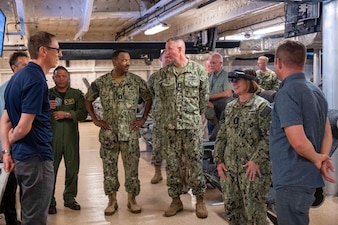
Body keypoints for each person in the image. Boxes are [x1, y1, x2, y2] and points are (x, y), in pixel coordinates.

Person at [269, 39, 336, 225]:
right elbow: (327, 130)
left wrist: (316, 158)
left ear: (279, 63)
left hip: (292, 177)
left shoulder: (287, 92)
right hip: (307, 178)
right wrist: (322, 157)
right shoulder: (316, 91)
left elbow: (297, 140)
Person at [0, 31, 61, 225]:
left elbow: (5, 121)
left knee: (28, 212)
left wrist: (7, 151)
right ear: (43, 51)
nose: (59, 54)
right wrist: (10, 141)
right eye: (57, 50)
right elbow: (23, 127)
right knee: (34, 218)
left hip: (21, 157)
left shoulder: (15, 80)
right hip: (36, 158)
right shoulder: (36, 79)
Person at [84, 49, 152, 215]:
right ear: (114, 62)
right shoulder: (102, 82)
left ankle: (132, 199)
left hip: (130, 133)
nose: (128, 63)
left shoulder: (136, 81)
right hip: (109, 134)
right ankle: (112, 201)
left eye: (128, 60)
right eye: (124, 60)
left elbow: (149, 97)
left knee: (132, 169)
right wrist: (94, 118)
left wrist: (143, 118)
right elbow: (88, 98)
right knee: (109, 169)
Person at [213, 69, 272, 225]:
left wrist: (256, 160)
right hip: (230, 170)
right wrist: (218, 161)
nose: (234, 83)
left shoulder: (261, 106)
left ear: (249, 82)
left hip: (252, 170)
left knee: (255, 215)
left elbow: (269, 137)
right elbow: (222, 135)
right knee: (233, 212)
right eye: (232, 80)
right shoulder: (230, 107)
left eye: (238, 80)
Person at [159, 37, 209, 219]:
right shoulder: (164, 74)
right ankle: (176, 200)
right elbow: (161, 98)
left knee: (195, 164)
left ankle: (200, 200)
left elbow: (203, 99)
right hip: (170, 129)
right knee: (172, 166)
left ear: (180, 49)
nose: (167, 52)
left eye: (169, 49)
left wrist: (191, 116)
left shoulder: (198, 70)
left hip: (191, 129)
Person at [48, 66, 88, 214]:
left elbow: (83, 114)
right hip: (52, 139)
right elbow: (36, 114)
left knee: (72, 169)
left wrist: (66, 114)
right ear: (53, 78)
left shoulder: (76, 94)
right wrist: (46, 107)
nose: (61, 79)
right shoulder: (47, 94)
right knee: (50, 170)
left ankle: (70, 198)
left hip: (71, 138)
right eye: (57, 76)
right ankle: (49, 201)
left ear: (69, 77)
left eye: (64, 76)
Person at [0, 51, 29, 225]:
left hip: (22, 147)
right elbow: (5, 122)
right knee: (8, 185)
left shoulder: (28, 88)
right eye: (24, 66)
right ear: (14, 68)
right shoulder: (6, 90)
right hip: (8, 146)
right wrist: (5, 149)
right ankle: (11, 219)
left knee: (19, 185)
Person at [148, 50, 171, 184]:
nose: (168, 59)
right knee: (157, 147)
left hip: (175, 120)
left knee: (174, 151)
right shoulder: (154, 78)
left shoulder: (178, 76)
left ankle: (173, 175)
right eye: (165, 57)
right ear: (160, 59)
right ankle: (157, 173)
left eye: (170, 57)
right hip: (159, 119)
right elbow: (149, 96)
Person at [206, 53, 233, 133]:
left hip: (222, 110)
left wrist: (209, 97)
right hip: (211, 110)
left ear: (221, 63)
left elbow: (227, 93)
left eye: (214, 63)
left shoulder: (226, 76)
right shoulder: (209, 76)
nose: (212, 65)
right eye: (211, 63)